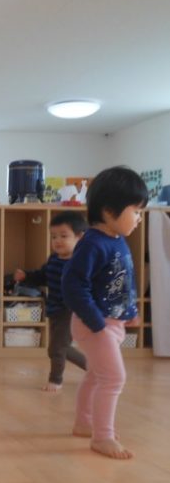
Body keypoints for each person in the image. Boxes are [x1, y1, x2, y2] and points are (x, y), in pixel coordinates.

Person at [62, 166, 148, 460]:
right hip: (94, 324)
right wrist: (95, 321)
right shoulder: (91, 244)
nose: (139, 218)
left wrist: (129, 310)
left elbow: (123, 280)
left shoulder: (116, 239)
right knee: (113, 378)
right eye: (135, 211)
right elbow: (73, 285)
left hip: (110, 322)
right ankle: (103, 437)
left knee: (97, 375)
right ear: (110, 211)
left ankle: (84, 423)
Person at [14, 211, 88, 391]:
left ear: (80, 238)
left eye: (64, 236)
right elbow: (43, 276)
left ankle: (55, 380)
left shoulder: (80, 262)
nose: (57, 241)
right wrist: (26, 276)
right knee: (58, 348)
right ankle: (95, 368)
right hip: (54, 309)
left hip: (70, 310)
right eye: (54, 237)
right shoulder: (54, 259)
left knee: (57, 348)